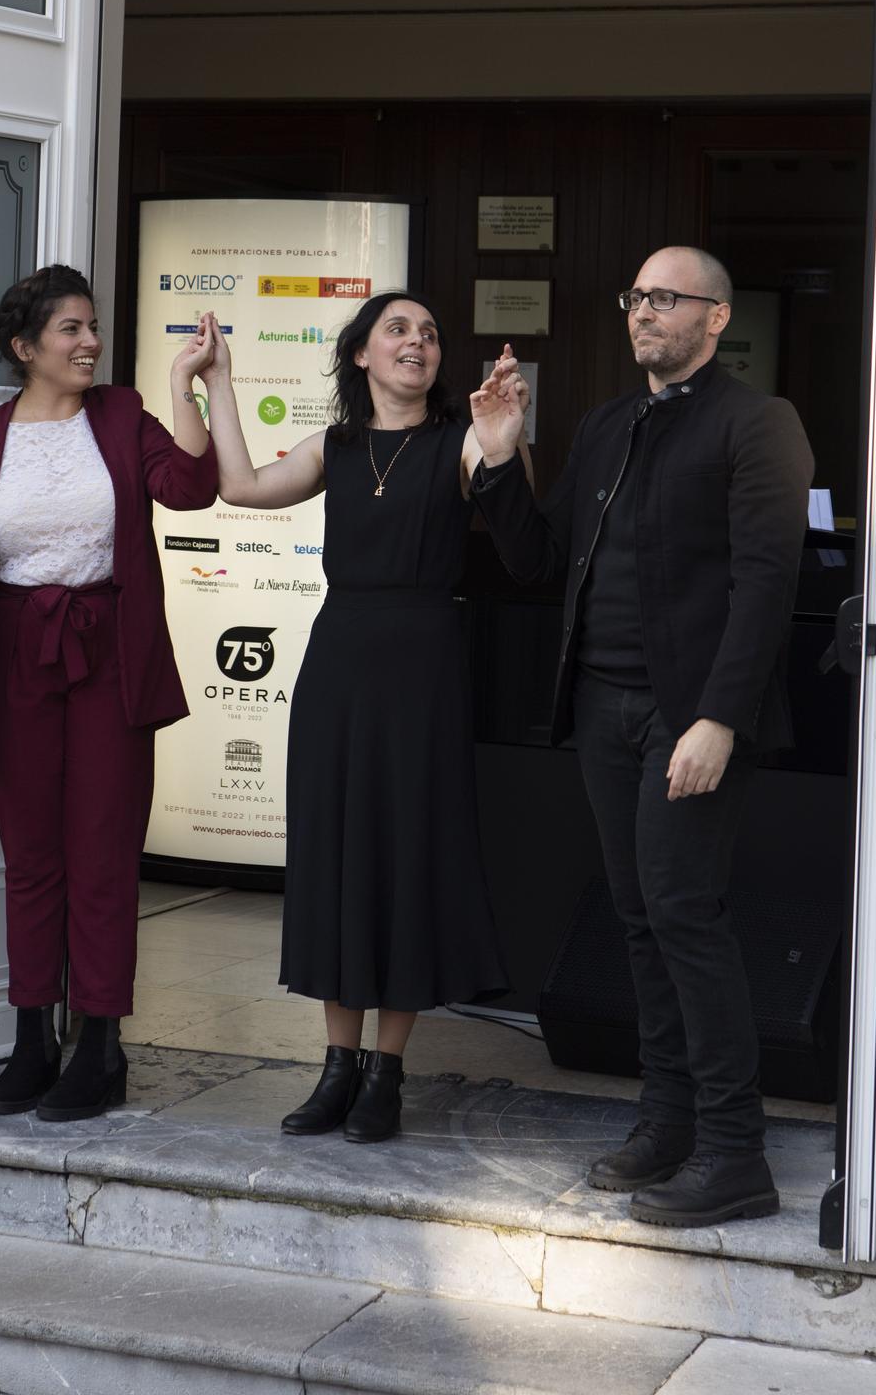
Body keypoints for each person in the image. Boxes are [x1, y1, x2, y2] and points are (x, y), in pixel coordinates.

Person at [469, 246, 813, 1227]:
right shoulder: (609, 423)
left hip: (688, 713)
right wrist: (499, 454)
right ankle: (665, 1122)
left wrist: (718, 715)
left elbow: (765, 583)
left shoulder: (758, 423)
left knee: (682, 912)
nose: (642, 312)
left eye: (664, 297)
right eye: (634, 297)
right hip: (602, 709)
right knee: (637, 917)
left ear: (714, 315)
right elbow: (540, 561)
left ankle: (734, 1150)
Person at [198, 293, 508, 1143]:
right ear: (362, 355)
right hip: (338, 663)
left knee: (404, 854)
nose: (418, 342)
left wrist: (504, 439)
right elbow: (242, 486)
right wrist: (219, 384)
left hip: (424, 667)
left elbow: (512, 518)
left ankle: (386, 1074)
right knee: (340, 853)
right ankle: (335, 1067)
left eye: (430, 332)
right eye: (398, 330)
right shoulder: (335, 446)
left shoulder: (460, 442)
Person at [0, 264, 217, 1121]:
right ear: (26, 348)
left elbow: (191, 488)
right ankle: (29, 1039)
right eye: (70, 331)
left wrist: (182, 385)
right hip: (12, 657)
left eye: (92, 327)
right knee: (31, 857)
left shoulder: (122, 415)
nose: (89, 343)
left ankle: (100, 1046)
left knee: (102, 852)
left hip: (108, 653)